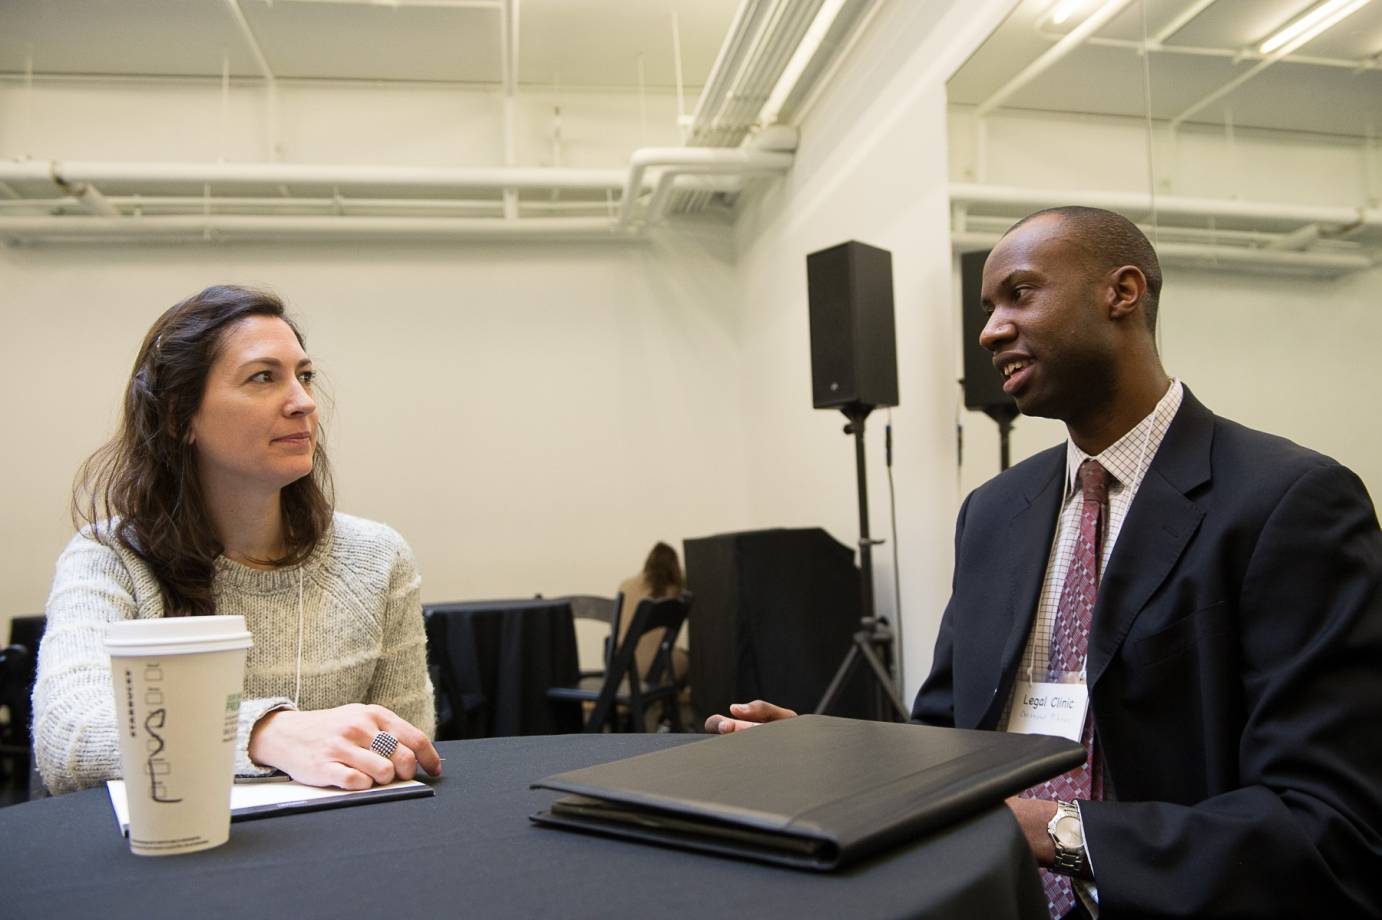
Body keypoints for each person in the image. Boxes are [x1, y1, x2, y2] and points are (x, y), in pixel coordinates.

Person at [708, 208, 1382, 918]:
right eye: (988, 307)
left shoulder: (1288, 501)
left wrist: (1038, 829)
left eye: (1019, 294)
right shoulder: (995, 512)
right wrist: (834, 763)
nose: (990, 330)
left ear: (1121, 293)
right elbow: (948, 732)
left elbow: (1328, 828)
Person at [32, 285, 441, 795]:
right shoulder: (110, 557)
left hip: (340, 850)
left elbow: (406, 743)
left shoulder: (378, 558)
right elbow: (66, 739)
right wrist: (264, 733)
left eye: (305, 376)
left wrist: (369, 757)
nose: (304, 403)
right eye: (264, 377)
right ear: (181, 416)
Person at [615, 542, 689, 687]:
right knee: (688, 659)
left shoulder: (625, 586)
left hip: (623, 668)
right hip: (658, 668)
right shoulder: (675, 592)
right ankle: (668, 702)